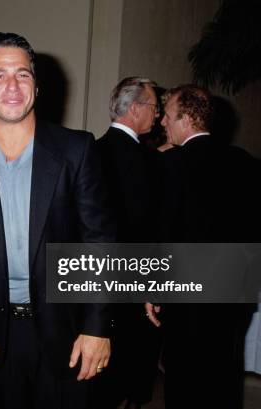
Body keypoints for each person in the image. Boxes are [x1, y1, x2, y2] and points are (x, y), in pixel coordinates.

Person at [0, 32, 114, 409]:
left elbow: (100, 242)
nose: (12, 86)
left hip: (67, 330)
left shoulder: (77, 149)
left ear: (37, 85)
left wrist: (97, 327)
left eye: (23, 75)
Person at [146, 84, 255, 409]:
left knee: (185, 383)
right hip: (234, 296)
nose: (162, 122)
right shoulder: (244, 163)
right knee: (223, 381)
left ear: (187, 118)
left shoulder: (174, 165)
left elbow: (164, 233)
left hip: (189, 301)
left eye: (167, 116)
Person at [97, 77, 162, 409]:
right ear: (135, 109)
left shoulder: (91, 150)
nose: (158, 114)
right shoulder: (147, 162)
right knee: (129, 368)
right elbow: (148, 228)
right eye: (153, 107)